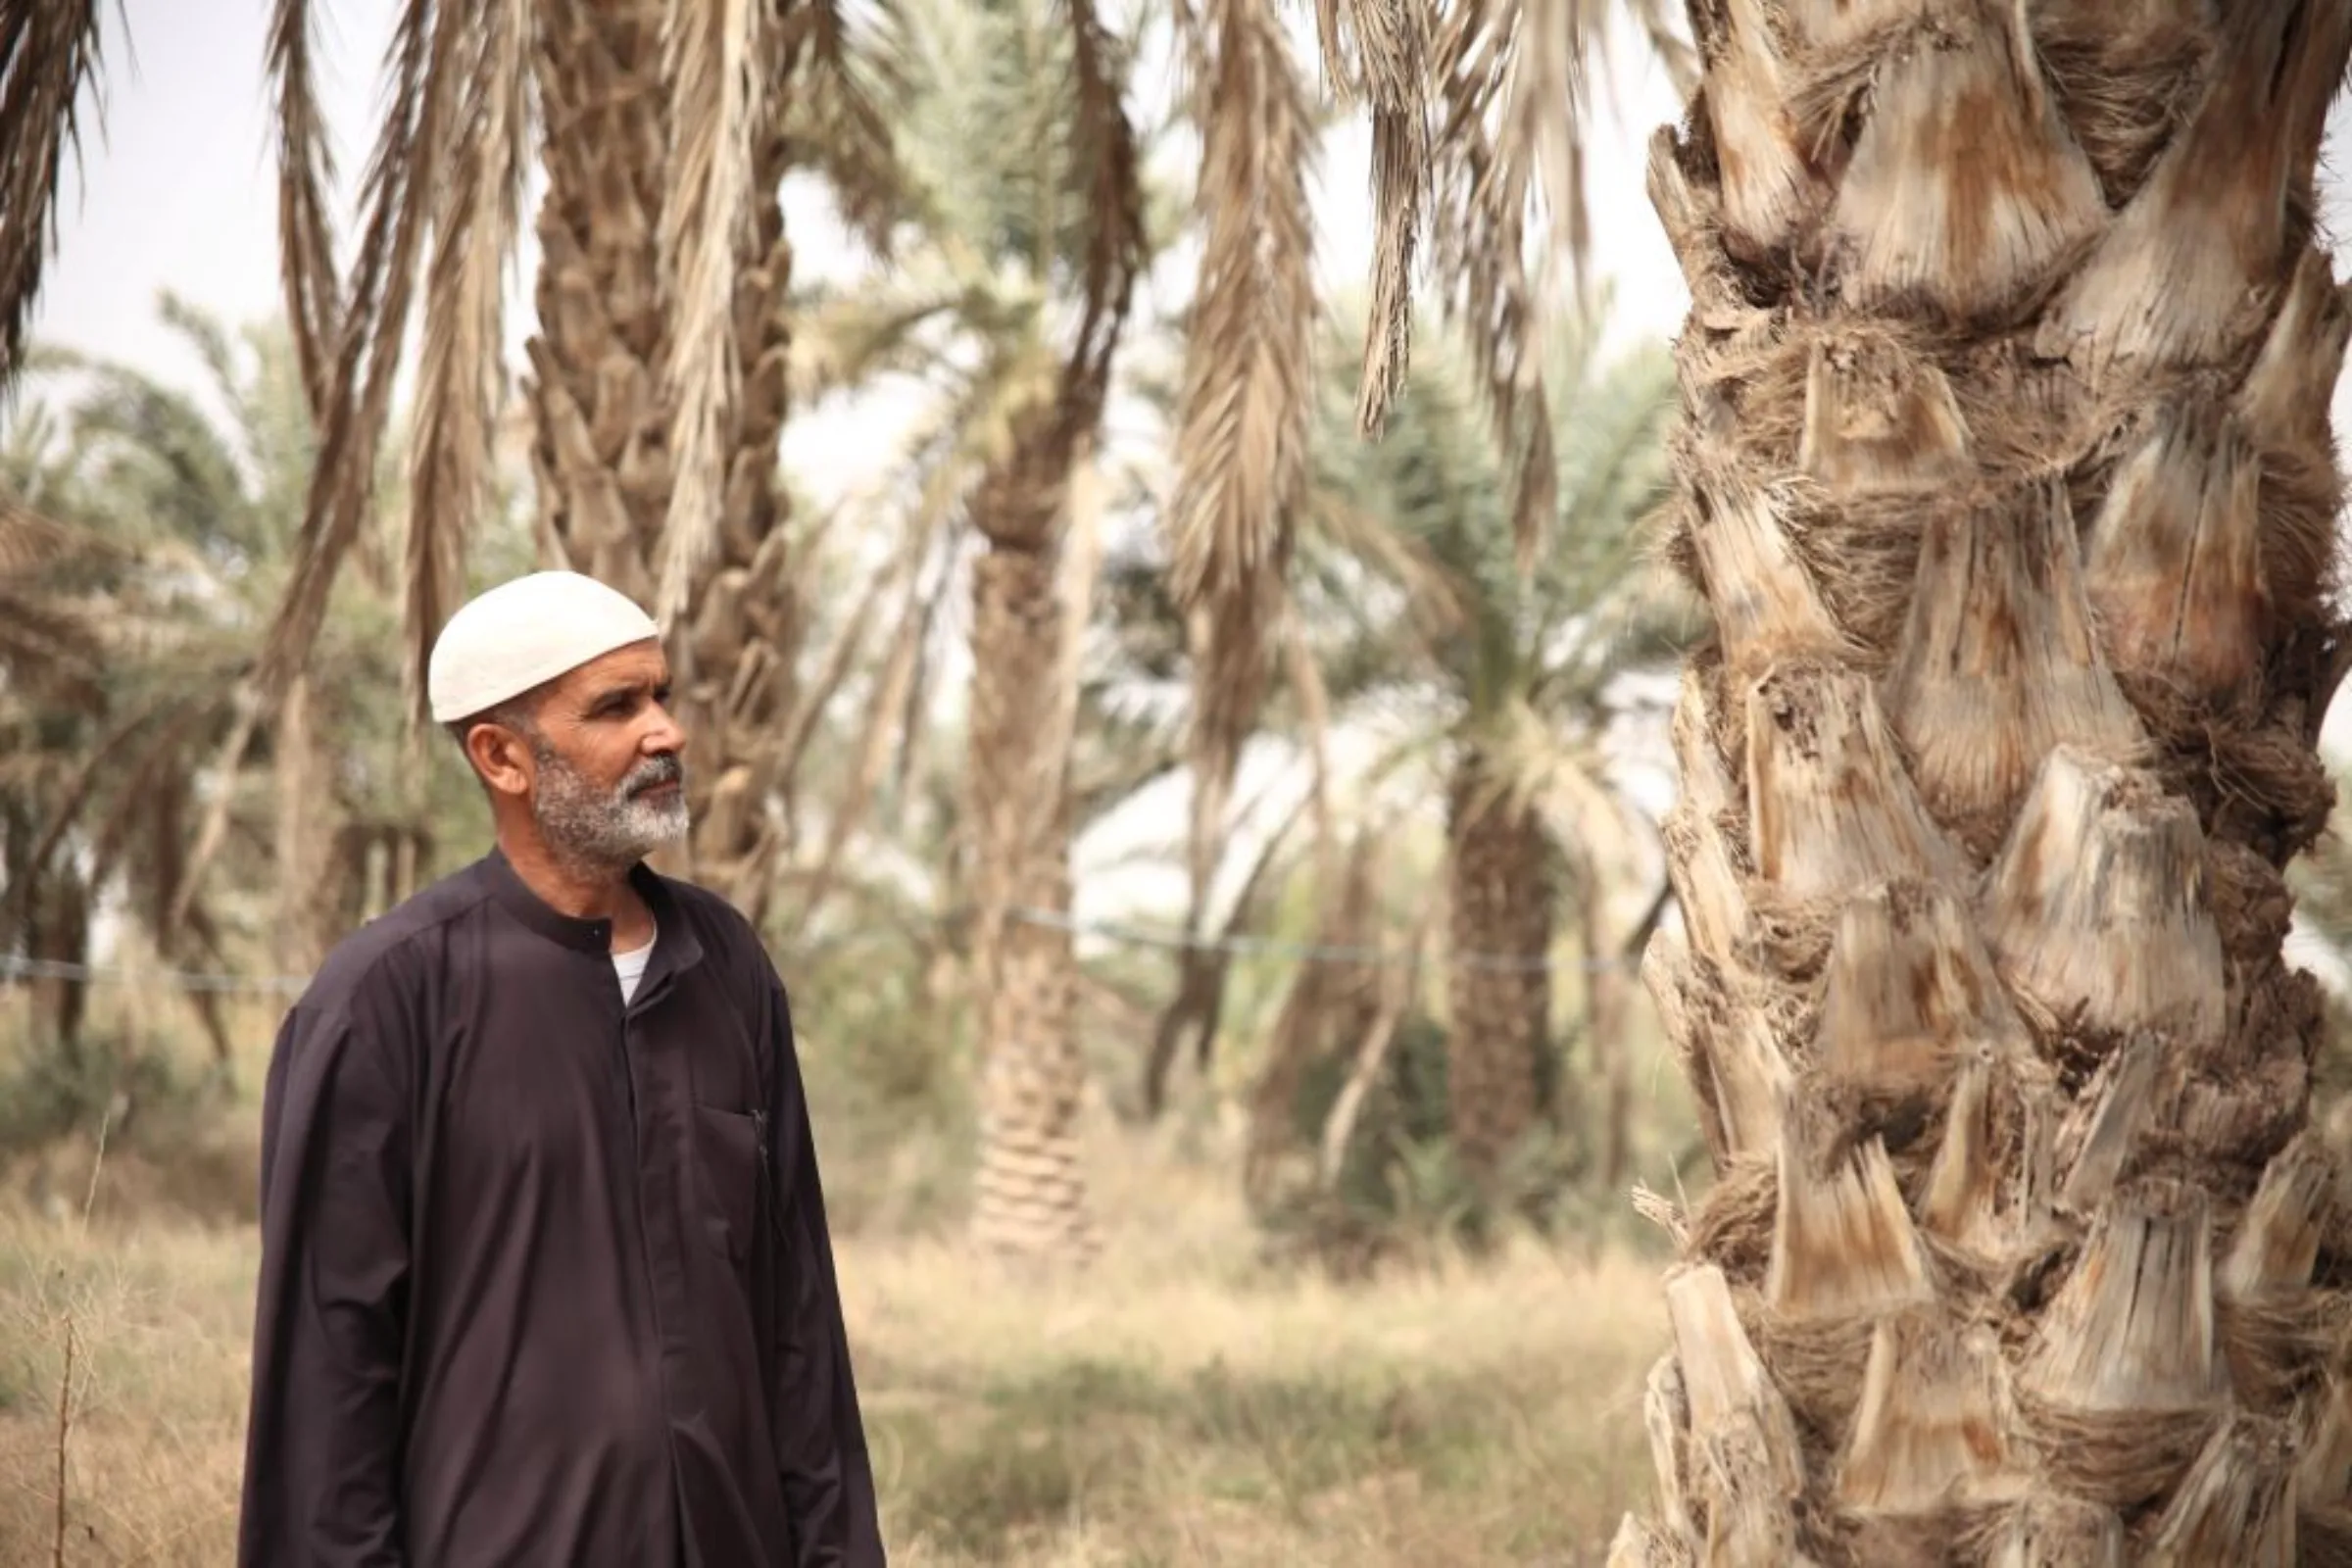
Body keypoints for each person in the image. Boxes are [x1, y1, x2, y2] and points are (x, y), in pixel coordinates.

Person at [237, 570, 884, 1566]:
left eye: (662, 695)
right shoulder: (383, 1002)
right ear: (504, 757)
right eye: (617, 707)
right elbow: (327, 1381)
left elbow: (799, 1323)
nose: (664, 730)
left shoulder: (727, 966)